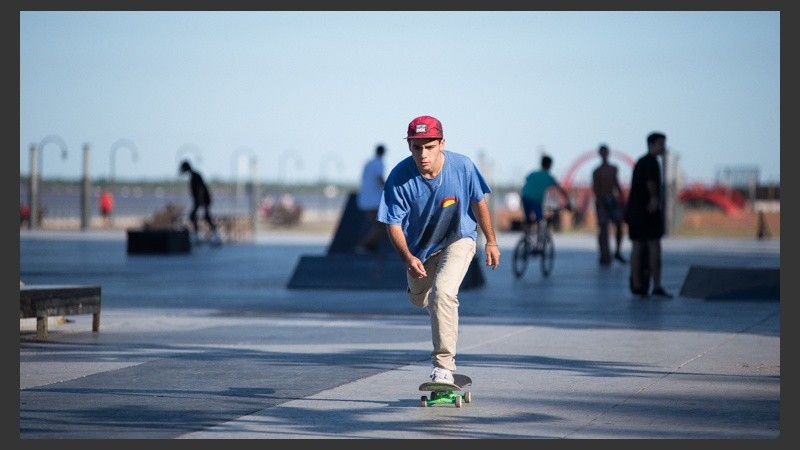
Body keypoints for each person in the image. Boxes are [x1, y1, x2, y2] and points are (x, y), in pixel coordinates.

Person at [377, 115, 500, 384]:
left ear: (442, 143)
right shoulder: (399, 178)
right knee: (419, 299)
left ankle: (443, 366)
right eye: (416, 147)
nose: (423, 154)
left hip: (459, 237)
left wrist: (490, 240)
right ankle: (421, 289)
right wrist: (408, 258)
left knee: (443, 293)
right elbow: (392, 224)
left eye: (430, 146)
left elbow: (479, 203)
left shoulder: (463, 167)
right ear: (409, 145)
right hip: (420, 250)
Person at [625, 132, 672, 298]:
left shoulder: (640, 161)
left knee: (637, 247)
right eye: (661, 144)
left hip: (634, 211)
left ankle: (637, 283)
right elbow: (651, 183)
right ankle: (656, 285)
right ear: (651, 144)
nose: (663, 147)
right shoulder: (652, 162)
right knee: (654, 247)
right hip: (647, 212)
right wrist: (654, 198)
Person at [520, 154, 572, 247]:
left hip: (525, 197)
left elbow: (527, 181)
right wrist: (568, 204)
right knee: (540, 220)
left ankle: (526, 237)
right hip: (536, 200)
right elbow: (560, 191)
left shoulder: (532, 174)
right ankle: (539, 244)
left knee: (527, 219)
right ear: (550, 165)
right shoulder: (549, 177)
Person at [592, 144, 626, 265]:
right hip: (602, 200)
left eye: (606, 152)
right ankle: (604, 253)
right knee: (603, 228)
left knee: (618, 225)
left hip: (612, 200)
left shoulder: (613, 168)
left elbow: (617, 184)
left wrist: (622, 201)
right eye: (602, 152)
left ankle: (617, 251)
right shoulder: (596, 171)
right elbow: (596, 188)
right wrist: (601, 203)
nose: (604, 154)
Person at [356, 144, 386, 254]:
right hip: (373, 200)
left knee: (377, 225)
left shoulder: (369, 162)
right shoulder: (379, 163)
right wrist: (390, 188)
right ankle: (364, 245)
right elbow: (379, 179)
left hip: (366, 199)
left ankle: (371, 245)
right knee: (380, 226)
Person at [179, 160, 219, 243]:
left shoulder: (195, 176)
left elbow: (201, 188)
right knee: (198, 216)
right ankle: (200, 234)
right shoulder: (193, 175)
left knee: (199, 216)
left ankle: (206, 235)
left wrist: (200, 200)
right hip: (201, 200)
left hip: (203, 199)